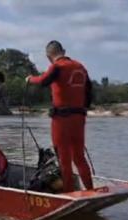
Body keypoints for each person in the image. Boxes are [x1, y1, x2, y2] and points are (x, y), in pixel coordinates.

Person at [26, 40, 94, 192]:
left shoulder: (56, 66)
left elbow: (43, 81)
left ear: (49, 56)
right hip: (79, 118)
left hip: (62, 119)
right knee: (79, 157)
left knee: (64, 159)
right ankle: (90, 189)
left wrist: (30, 79)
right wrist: (83, 109)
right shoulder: (80, 67)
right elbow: (89, 91)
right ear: (64, 50)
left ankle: (69, 192)